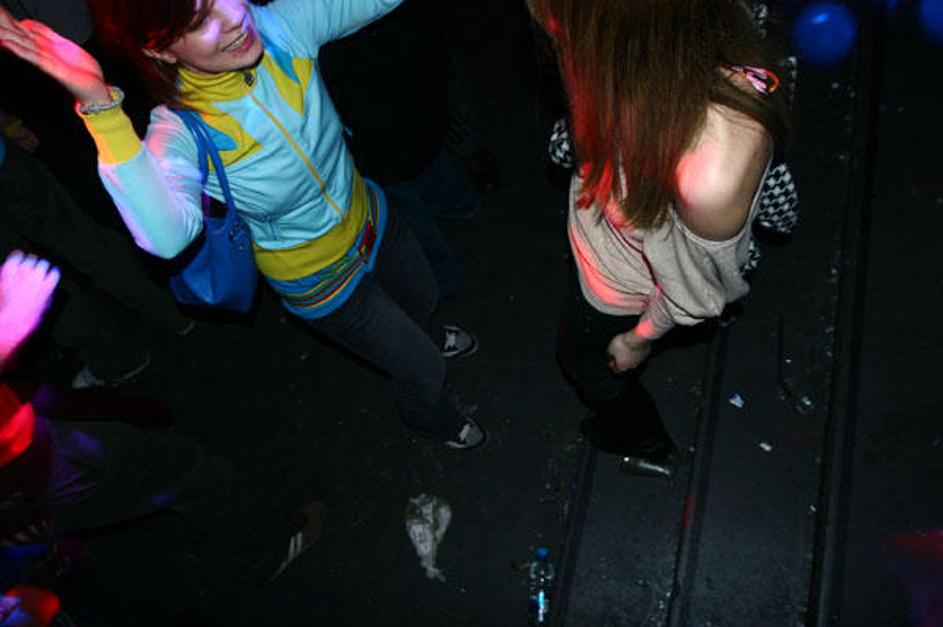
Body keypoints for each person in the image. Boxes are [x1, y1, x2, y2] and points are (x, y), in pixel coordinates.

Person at [0, 0, 484, 449]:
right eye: (199, 20)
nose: (233, 17)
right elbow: (166, 237)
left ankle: (421, 336)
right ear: (162, 50)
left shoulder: (280, 30)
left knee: (424, 297)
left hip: (376, 220)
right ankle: (428, 414)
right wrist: (100, 105)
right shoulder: (180, 130)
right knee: (422, 368)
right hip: (322, 281)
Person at [526, 0, 790, 478]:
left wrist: (638, 339)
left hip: (614, 293)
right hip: (611, 248)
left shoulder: (706, 170)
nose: (550, 30)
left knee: (584, 363)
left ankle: (645, 441)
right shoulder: (631, 60)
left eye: (563, 21)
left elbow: (698, 291)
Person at [0, 251, 327, 597]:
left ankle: (46, 545)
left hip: (24, 454)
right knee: (178, 470)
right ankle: (264, 553)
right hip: (26, 466)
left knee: (112, 484)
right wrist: (7, 335)